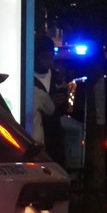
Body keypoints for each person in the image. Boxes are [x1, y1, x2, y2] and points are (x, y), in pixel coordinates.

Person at [32, 34, 67, 165]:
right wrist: (49, 101)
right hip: (37, 138)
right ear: (36, 55)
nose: (49, 60)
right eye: (45, 57)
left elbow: (63, 109)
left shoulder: (57, 77)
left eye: (51, 56)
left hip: (55, 139)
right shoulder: (27, 78)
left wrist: (61, 102)